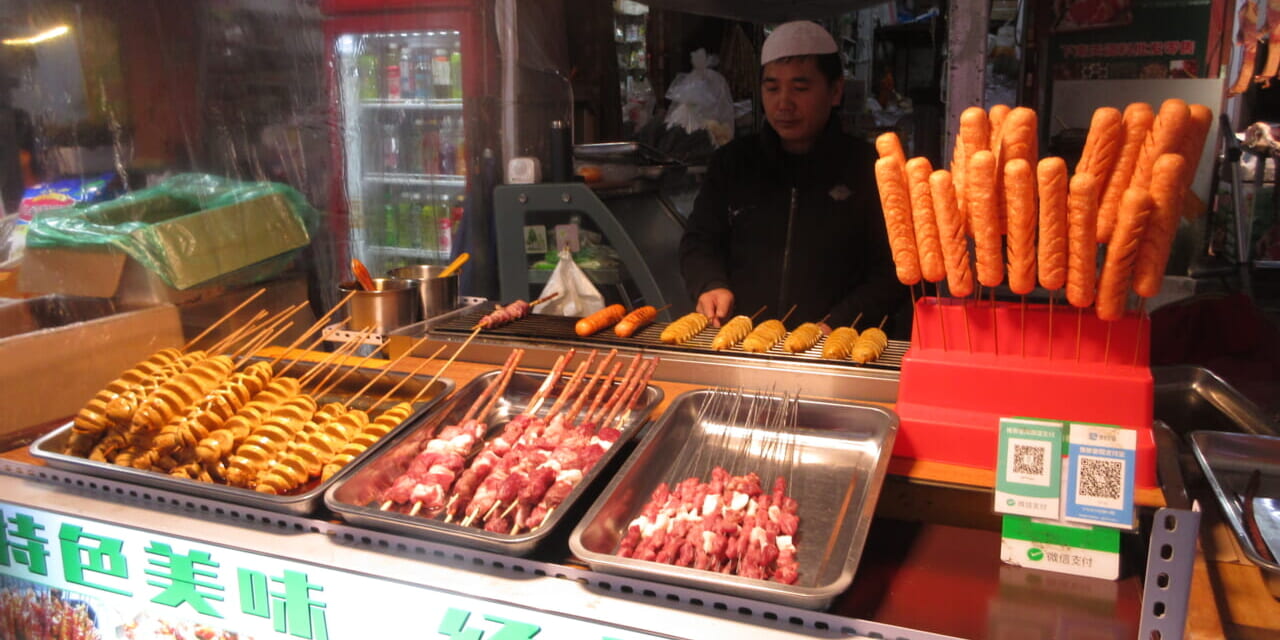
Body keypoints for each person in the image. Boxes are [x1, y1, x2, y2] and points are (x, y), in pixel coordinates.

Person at [679, 20, 906, 334]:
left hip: (841, 350)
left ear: (836, 90)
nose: (783, 103)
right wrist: (710, 283)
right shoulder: (733, 163)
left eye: (800, 88)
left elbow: (895, 270)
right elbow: (700, 240)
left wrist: (838, 323)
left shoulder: (871, 169)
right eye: (772, 88)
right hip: (746, 346)